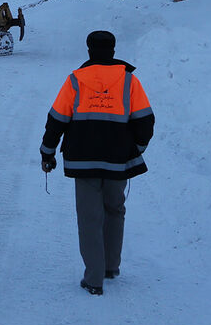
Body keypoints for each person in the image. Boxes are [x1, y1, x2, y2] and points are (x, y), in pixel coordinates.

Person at [40, 30, 154, 296]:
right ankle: (110, 268)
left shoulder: (75, 80)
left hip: (84, 161)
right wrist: (134, 149)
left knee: (90, 218)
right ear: (113, 50)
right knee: (115, 210)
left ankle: (93, 279)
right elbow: (145, 122)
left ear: (89, 50)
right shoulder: (129, 81)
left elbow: (57, 119)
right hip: (117, 160)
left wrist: (48, 152)